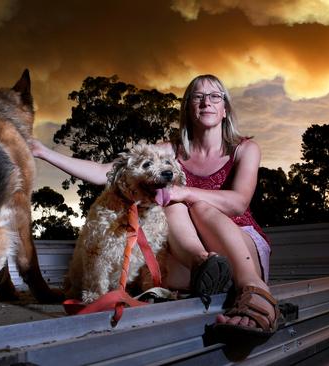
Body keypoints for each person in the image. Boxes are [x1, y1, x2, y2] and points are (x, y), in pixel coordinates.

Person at [31, 74, 279, 337]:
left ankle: (255, 288)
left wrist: (183, 192)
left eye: (215, 96)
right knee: (168, 202)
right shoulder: (170, 150)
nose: (206, 102)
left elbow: (239, 203)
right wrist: (44, 152)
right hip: (187, 249)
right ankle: (204, 267)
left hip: (239, 243)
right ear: (188, 108)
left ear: (225, 109)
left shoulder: (245, 148)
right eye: (198, 97)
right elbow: (108, 170)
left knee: (194, 204)